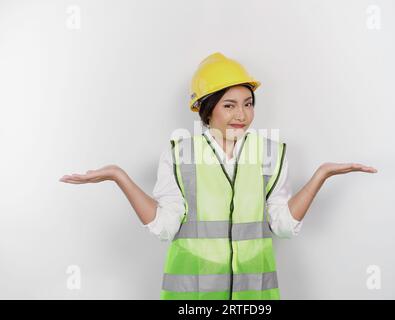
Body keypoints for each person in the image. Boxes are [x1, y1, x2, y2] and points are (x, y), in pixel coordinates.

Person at [59, 52, 378, 300]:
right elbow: (165, 227)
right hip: (193, 297)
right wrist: (120, 177)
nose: (242, 115)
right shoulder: (179, 154)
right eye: (229, 105)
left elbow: (282, 226)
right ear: (207, 108)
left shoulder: (271, 153)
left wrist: (320, 176)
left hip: (254, 298)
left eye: (248, 104)